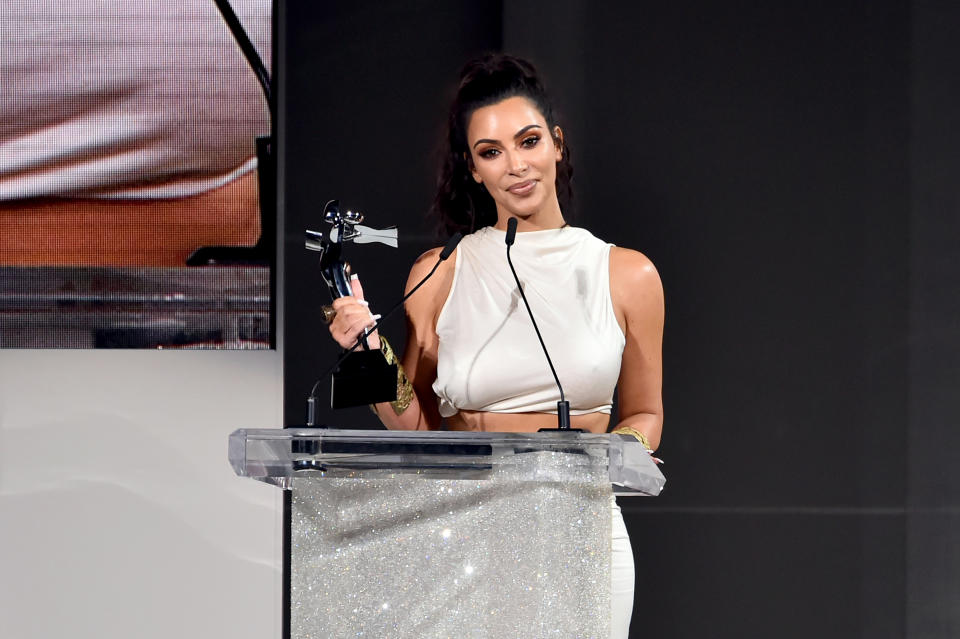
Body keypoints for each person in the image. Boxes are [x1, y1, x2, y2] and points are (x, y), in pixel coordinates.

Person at [327, 53, 664, 639]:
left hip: (578, 530)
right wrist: (368, 350)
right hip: (464, 531)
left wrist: (614, 454)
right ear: (474, 169)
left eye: (529, 141)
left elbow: (645, 410)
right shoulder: (439, 273)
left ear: (556, 144)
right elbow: (416, 426)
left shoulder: (626, 274)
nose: (516, 165)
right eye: (491, 152)